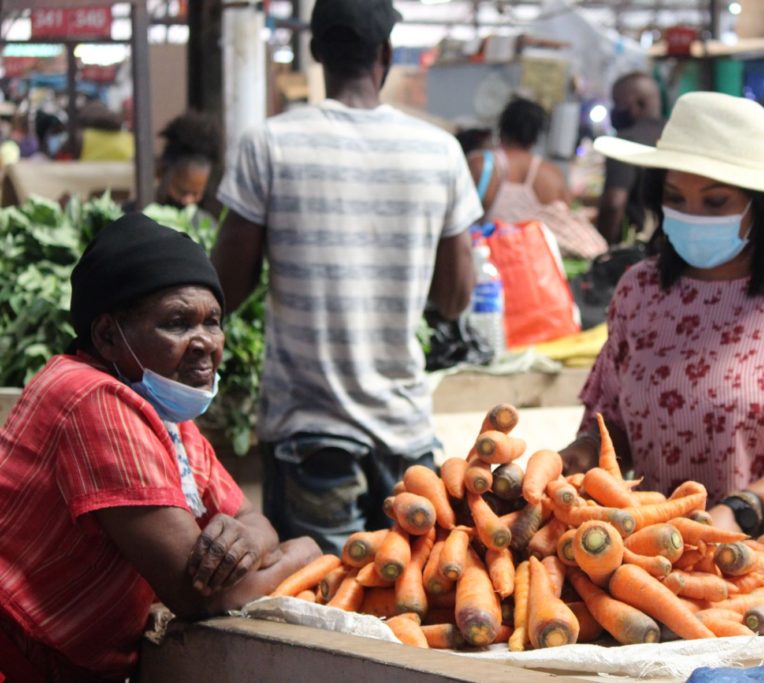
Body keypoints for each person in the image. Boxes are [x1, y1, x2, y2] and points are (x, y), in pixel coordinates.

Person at [0, 213, 320, 682]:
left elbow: (250, 518)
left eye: (213, 322)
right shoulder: (93, 399)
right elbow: (199, 595)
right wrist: (304, 555)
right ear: (108, 335)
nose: (204, 344)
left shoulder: (162, 411)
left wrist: (249, 539)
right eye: (177, 323)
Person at [213, 0, 481, 554]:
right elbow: (455, 300)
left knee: (319, 611)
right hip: (405, 434)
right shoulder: (441, 152)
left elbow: (226, 291)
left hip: (308, 433)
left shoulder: (269, 144)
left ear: (316, 53)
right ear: (385, 53)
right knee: (407, 604)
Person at [561, 91, 764, 547]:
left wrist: (744, 509)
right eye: (675, 198)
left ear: (760, 206)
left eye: (715, 203)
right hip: (651, 556)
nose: (692, 216)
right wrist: (583, 452)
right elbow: (613, 420)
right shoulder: (640, 289)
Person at [468, 97, 607, 259]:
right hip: (534, 270)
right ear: (537, 135)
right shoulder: (552, 175)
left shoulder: (481, 164)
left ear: (502, 128)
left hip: (489, 264)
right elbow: (564, 219)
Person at [596, 72, 665, 246]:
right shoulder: (675, 134)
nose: (614, 111)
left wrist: (604, 247)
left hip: (637, 246)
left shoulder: (625, 141)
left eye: (617, 103)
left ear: (639, 104)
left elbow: (614, 202)